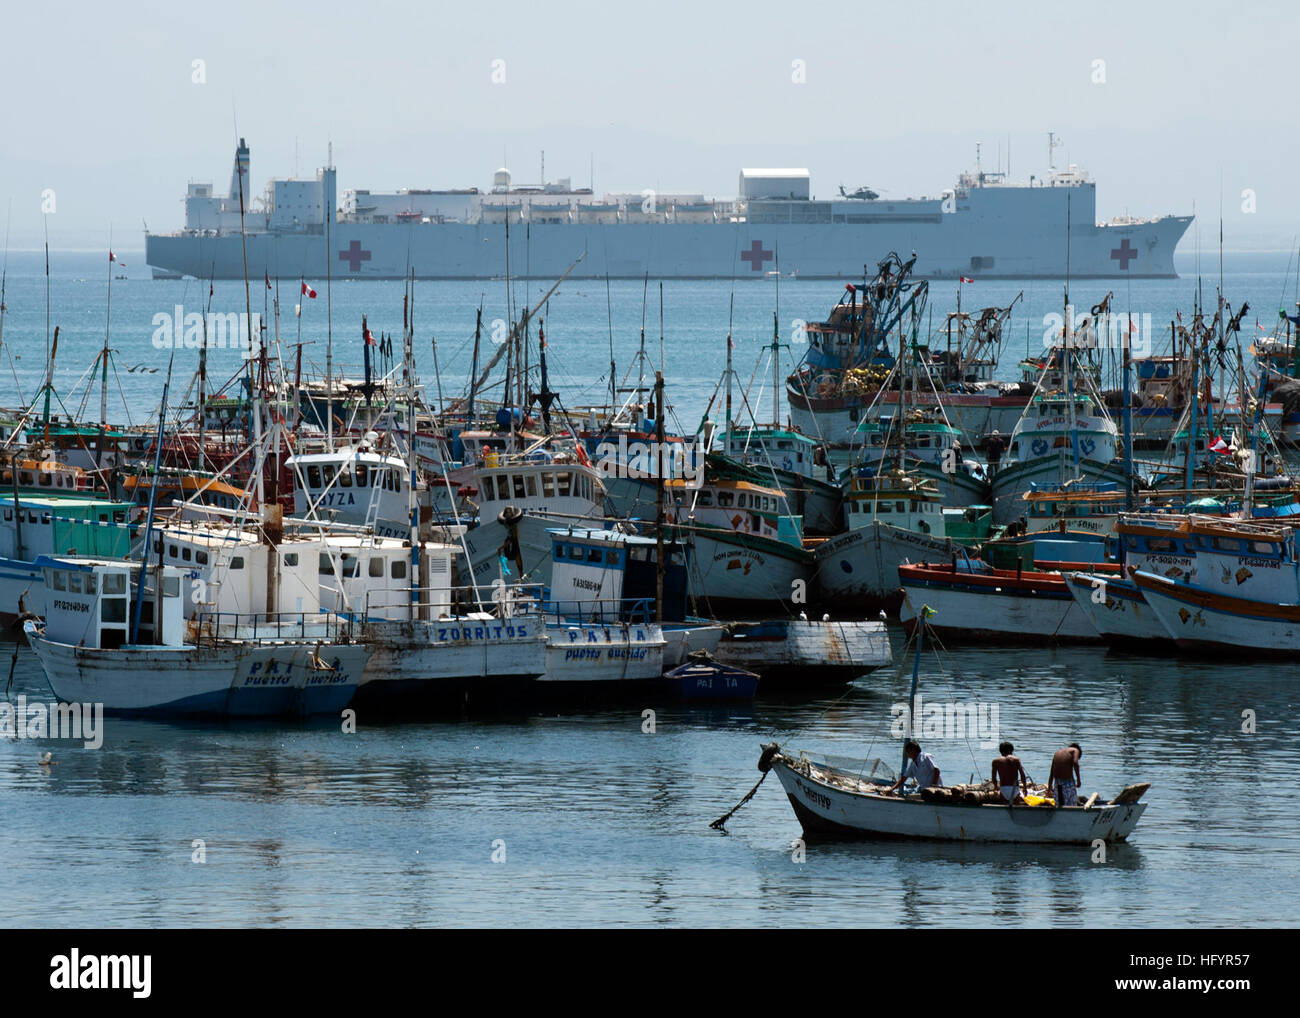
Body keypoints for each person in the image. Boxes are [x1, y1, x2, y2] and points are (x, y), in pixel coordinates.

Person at [1048, 742, 1082, 807]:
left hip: (1057, 783)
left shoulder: (1057, 753)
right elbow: (1075, 763)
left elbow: (1052, 772)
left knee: (1060, 806)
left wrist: (1049, 788)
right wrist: (1078, 780)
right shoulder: (1076, 750)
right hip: (1068, 783)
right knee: (1071, 806)